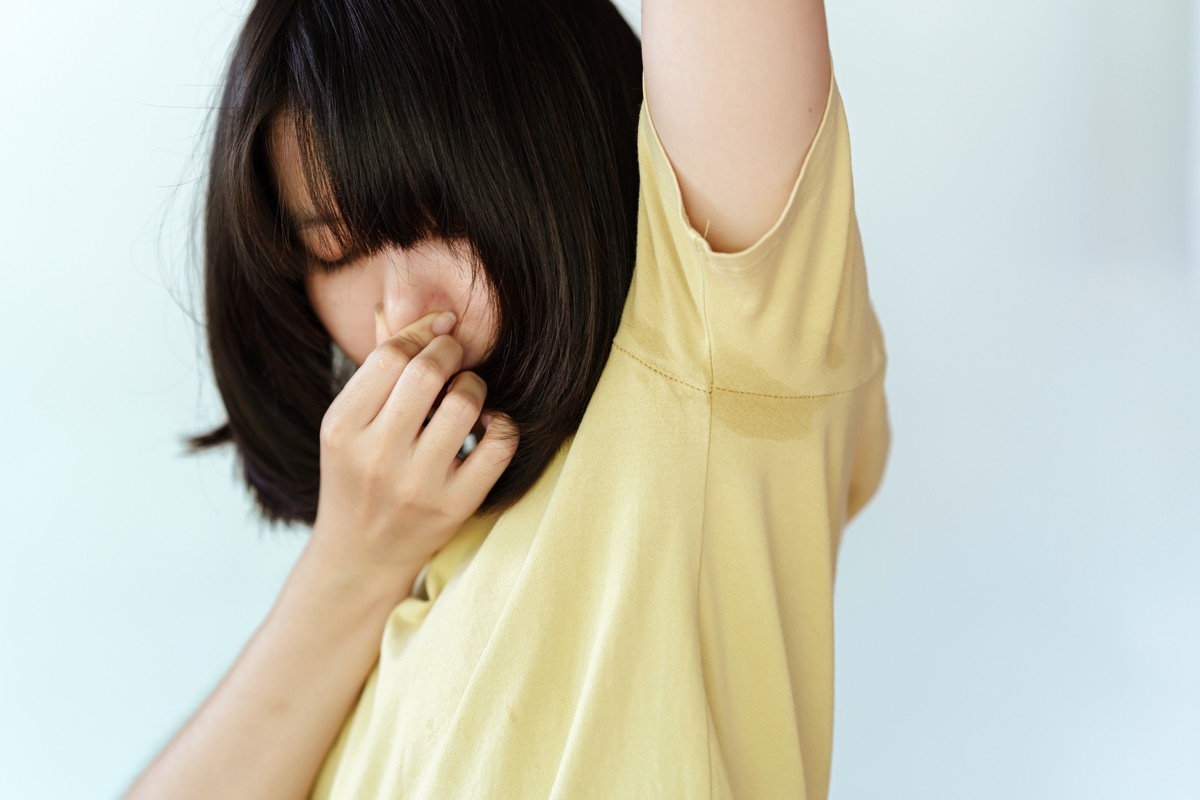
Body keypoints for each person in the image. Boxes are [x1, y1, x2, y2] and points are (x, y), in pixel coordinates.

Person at [126, 0, 890, 797]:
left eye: (435, 223)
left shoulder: (709, 345)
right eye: (334, 249)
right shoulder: (405, 573)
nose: (399, 311)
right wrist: (353, 563)